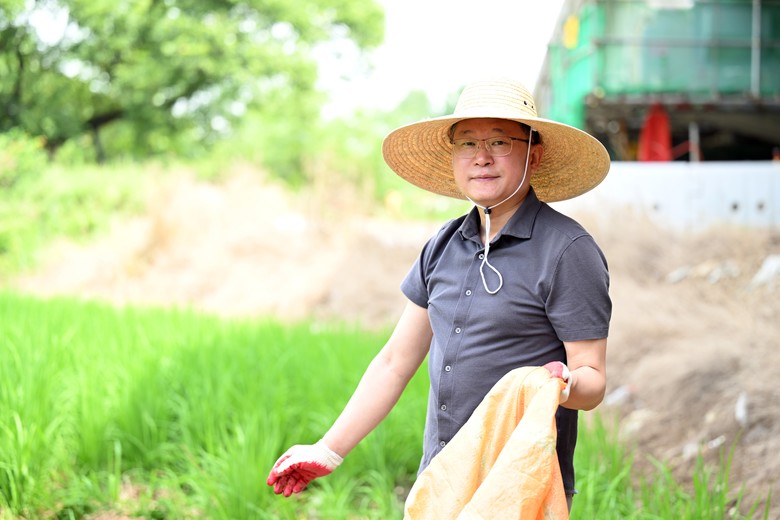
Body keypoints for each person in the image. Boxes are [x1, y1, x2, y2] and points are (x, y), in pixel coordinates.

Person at [266, 77, 612, 511]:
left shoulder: (567, 250)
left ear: (534, 155)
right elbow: (394, 362)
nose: (482, 157)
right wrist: (327, 450)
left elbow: (592, 380)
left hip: (519, 486)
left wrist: (558, 383)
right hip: (441, 479)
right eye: (467, 143)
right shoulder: (444, 246)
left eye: (499, 142)